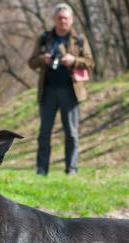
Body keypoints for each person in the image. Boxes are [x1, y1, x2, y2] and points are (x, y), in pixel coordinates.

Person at [28, 4, 94, 176]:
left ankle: (71, 169)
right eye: (59, 18)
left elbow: (90, 62)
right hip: (48, 92)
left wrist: (74, 60)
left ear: (71, 20)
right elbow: (31, 62)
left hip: (71, 91)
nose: (62, 21)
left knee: (71, 133)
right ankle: (41, 170)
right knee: (44, 133)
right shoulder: (45, 38)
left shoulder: (79, 39)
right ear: (54, 20)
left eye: (65, 18)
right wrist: (43, 59)